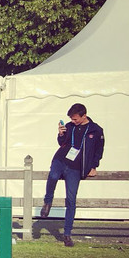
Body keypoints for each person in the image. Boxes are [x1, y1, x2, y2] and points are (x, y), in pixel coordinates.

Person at [39, 103, 104, 247]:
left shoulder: (96, 130)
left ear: (84, 115)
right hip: (61, 159)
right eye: (71, 119)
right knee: (53, 175)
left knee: (71, 200)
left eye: (75, 119)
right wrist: (61, 134)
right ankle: (47, 202)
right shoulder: (69, 126)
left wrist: (94, 166)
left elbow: (99, 150)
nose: (72, 121)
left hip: (76, 167)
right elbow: (61, 142)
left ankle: (67, 234)